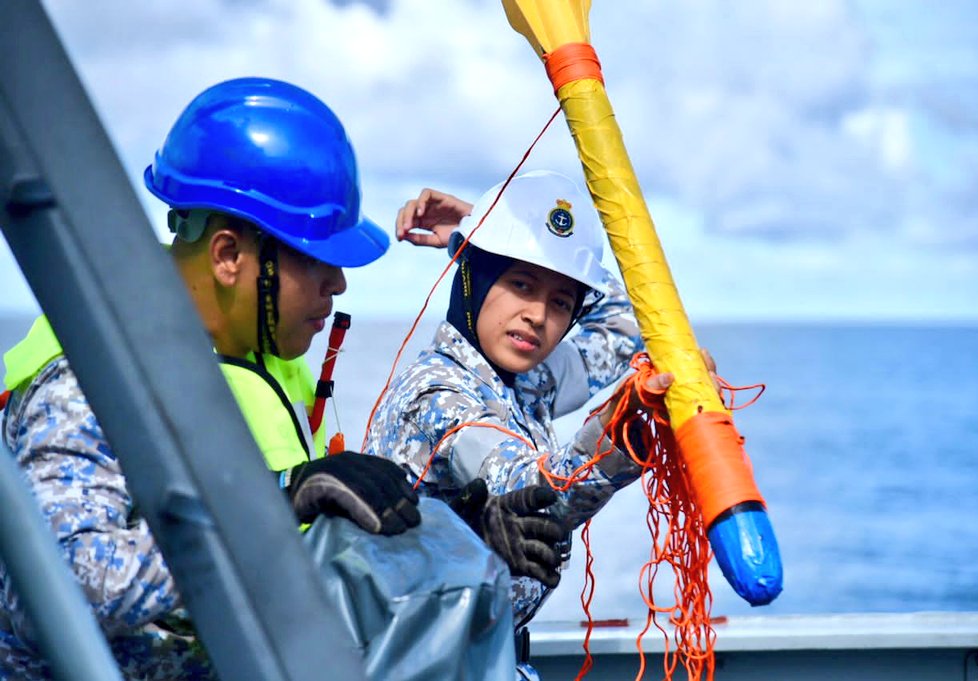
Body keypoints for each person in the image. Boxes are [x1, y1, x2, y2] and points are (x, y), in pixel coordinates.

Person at [0, 78, 561, 680]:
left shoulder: (256, 357)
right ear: (227, 256)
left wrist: (452, 534)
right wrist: (275, 501)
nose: (338, 283)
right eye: (316, 258)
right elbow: (61, 588)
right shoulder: (84, 384)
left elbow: (305, 547)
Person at [365, 170, 701, 677]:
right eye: (521, 284)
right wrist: (626, 423)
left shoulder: (529, 381)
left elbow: (630, 323)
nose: (539, 316)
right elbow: (532, 492)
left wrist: (481, 225)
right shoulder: (437, 397)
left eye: (560, 301)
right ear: (473, 276)